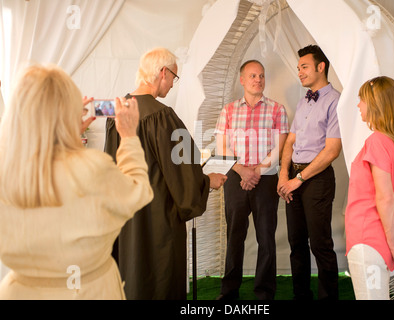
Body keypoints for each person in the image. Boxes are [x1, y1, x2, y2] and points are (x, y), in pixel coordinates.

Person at [0, 64, 153, 299]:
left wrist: (66, 133)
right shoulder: (92, 168)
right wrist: (129, 137)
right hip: (89, 290)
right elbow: (138, 191)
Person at [104, 47, 227, 300]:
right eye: (173, 77)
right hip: (158, 216)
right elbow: (184, 173)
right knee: (159, 280)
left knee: (131, 274)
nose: (172, 85)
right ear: (163, 72)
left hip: (126, 217)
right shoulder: (163, 116)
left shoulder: (116, 112)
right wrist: (206, 181)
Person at [214, 60, 289, 300]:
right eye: (253, 75)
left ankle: (265, 294)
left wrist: (256, 171)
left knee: (266, 238)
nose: (258, 79)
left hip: (265, 180)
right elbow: (221, 148)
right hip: (235, 179)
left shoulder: (277, 110)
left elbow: (280, 148)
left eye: (262, 76)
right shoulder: (228, 110)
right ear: (242, 80)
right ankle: (229, 292)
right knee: (234, 235)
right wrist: (242, 171)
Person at [277, 45, 342, 300]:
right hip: (293, 176)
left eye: (304, 67)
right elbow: (290, 142)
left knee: (320, 245)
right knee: (296, 244)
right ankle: (300, 296)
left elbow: (332, 151)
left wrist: (298, 180)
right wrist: (284, 175)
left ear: (320, 67)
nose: (300, 73)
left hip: (317, 179)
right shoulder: (304, 99)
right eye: (298, 68)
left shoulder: (335, 101)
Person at [345, 76, 394, 300]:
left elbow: (386, 198)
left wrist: (393, 242)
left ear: (375, 104)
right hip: (379, 240)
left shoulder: (377, 142)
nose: (358, 105)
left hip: (368, 240)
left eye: (361, 100)